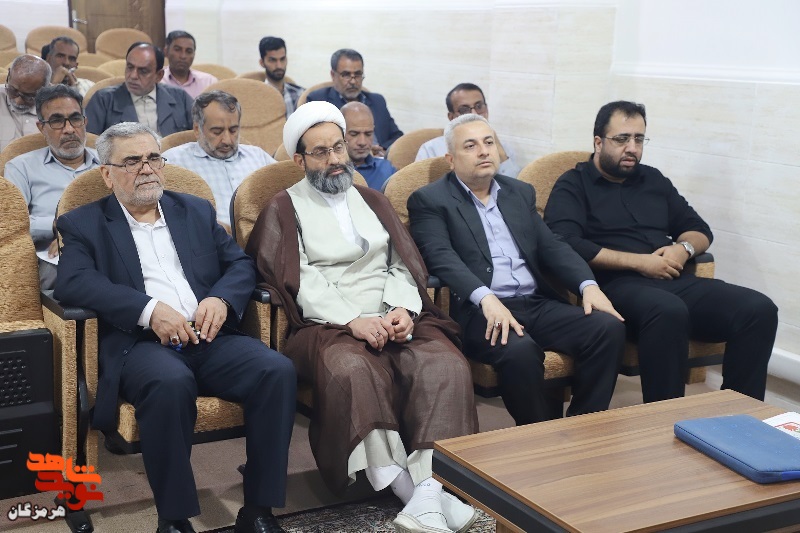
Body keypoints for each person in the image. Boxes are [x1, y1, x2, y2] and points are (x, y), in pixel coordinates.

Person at [246, 102, 479, 533]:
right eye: (320, 152)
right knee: (354, 371)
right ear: (299, 160)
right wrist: (352, 319)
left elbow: (402, 264)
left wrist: (402, 310)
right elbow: (296, 279)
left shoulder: (373, 200)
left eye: (338, 147)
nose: (335, 159)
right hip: (326, 326)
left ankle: (429, 491)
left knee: (445, 364)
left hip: (390, 314)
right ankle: (410, 493)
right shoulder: (284, 207)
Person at [54, 122, 295, 533]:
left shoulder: (194, 210)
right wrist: (149, 310)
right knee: (170, 382)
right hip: (141, 344)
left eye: (153, 158)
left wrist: (221, 300)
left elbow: (239, 265)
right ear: (107, 173)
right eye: (133, 161)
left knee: (276, 370)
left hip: (210, 335)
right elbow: (73, 282)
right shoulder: (84, 223)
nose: (147, 169)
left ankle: (258, 509)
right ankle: (174, 517)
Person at [544, 100, 779, 403]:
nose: (632, 148)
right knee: (667, 310)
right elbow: (564, 241)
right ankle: (666, 417)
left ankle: (739, 412)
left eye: (639, 139)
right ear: (598, 142)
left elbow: (699, 230)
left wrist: (683, 249)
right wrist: (640, 263)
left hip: (672, 279)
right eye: (622, 139)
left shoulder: (653, 179)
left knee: (758, 309)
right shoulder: (573, 184)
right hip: (614, 287)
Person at [407, 114, 625, 426]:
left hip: (536, 302)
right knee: (520, 352)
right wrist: (485, 297)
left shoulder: (519, 193)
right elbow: (441, 257)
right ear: (451, 159)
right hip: (480, 310)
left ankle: (583, 426)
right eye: (470, 145)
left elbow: (552, 246)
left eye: (489, 142)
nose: (484, 151)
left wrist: (588, 285)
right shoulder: (430, 200)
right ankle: (537, 435)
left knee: (608, 328)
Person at [5, 84, 99, 289]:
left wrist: (77, 236)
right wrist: (57, 226)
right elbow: (11, 225)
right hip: (52, 260)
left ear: (84, 121)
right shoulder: (21, 168)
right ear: (41, 127)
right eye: (57, 121)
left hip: (108, 249)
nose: (69, 129)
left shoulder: (108, 163)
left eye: (75, 118)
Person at [163, 90, 276, 230]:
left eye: (233, 130)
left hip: (263, 236)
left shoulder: (258, 156)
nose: (227, 140)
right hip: (208, 238)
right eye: (217, 132)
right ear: (197, 129)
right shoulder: (174, 162)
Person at [415, 83, 521, 179]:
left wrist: (499, 150)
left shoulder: (504, 148)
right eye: (464, 110)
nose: (474, 114)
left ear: (487, 110)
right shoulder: (430, 150)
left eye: (479, 106)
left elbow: (514, 188)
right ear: (451, 117)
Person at [85, 42, 193, 137]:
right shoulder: (103, 100)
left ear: (159, 76)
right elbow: (90, 143)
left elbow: (197, 135)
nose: (133, 76)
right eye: (130, 67)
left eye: (143, 71)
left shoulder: (180, 97)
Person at [306, 49, 402, 153]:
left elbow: (397, 136)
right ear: (333, 75)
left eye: (358, 74)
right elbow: (313, 141)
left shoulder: (377, 101)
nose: (353, 81)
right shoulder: (319, 101)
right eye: (346, 75)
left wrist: (380, 149)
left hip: (379, 159)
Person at [341, 101, 395, 191]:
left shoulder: (387, 170)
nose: (362, 142)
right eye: (354, 134)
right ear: (339, 133)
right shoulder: (328, 170)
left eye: (368, 134)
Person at [1, 54, 51, 151]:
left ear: (45, 89)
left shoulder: (59, 108)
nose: (18, 101)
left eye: (28, 96)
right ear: (9, 75)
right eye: (13, 91)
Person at [161, 30, 219, 99]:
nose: (183, 56)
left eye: (189, 51)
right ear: (166, 51)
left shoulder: (209, 82)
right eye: (177, 50)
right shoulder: (157, 81)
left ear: (194, 54)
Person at [258, 36, 304, 117]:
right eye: (272, 60)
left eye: (282, 59)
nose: (279, 66)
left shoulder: (300, 94)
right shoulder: (256, 97)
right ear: (262, 63)